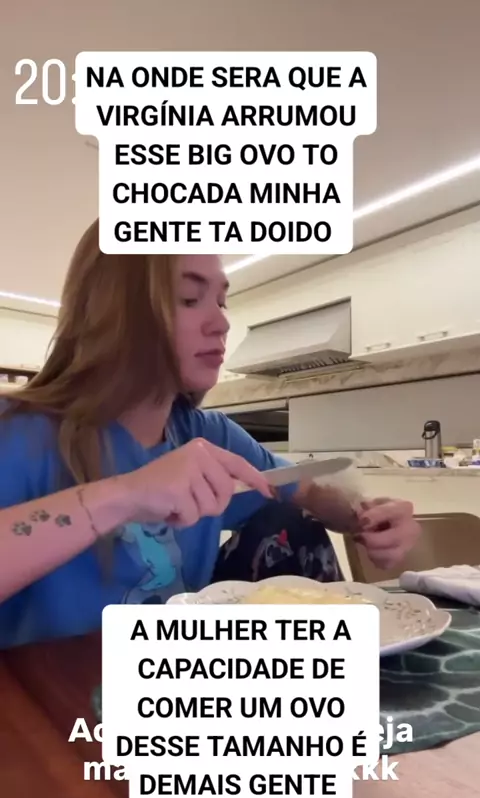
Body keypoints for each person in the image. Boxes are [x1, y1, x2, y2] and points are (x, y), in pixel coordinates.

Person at [0, 220, 420, 647]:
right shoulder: (17, 432)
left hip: (183, 673)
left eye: (221, 301)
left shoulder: (207, 435)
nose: (221, 323)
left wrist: (364, 518)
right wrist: (125, 494)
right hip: (55, 685)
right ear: (111, 310)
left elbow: (307, 493)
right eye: (189, 298)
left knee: (287, 521)